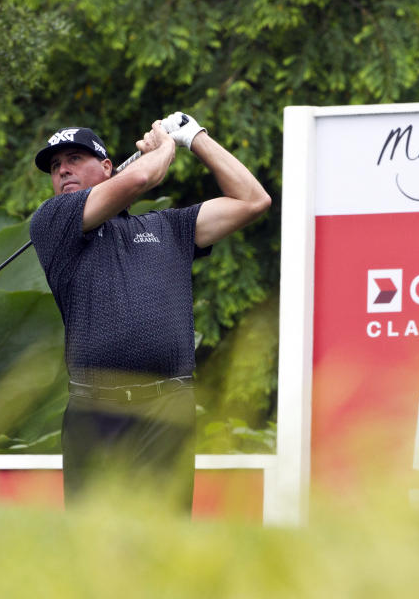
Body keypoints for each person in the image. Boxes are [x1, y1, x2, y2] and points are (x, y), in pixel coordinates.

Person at [28, 113, 270, 510]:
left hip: (166, 408)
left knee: (164, 541)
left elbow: (253, 200)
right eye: (55, 166)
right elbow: (142, 179)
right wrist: (165, 146)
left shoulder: (168, 228)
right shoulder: (53, 222)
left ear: (107, 167)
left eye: (74, 159)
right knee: (94, 544)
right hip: (96, 409)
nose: (63, 170)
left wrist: (195, 137)